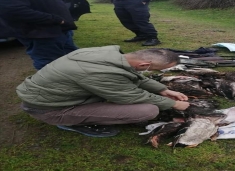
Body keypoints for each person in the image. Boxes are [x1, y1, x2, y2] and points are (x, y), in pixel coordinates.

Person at [16, 46, 190, 137]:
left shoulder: (109, 55)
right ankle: (71, 122)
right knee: (148, 110)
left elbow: (132, 76)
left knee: (130, 95)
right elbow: (133, 96)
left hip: (54, 95)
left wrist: (163, 90)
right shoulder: (100, 73)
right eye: (157, 70)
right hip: (50, 108)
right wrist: (174, 104)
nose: (156, 74)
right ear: (144, 65)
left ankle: (84, 112)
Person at [0, 0, 90, 70]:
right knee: (49, 64)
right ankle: (54, 89)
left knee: (72, 57)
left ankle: (71, 83)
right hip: (41, 34)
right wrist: (55, 19)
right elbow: (13, 11)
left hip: (59, 30)